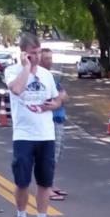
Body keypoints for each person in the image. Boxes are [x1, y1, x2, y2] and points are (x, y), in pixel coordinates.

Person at [5, 33, 62, 217]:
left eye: (38, 53)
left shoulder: (47, 75)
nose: (36, 57)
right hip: (23, 135)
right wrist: (26, 68)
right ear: (23, 54)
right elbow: (17, 89)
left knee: (45, 182)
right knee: (22, 181)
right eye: (32, 54)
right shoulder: (12, 71)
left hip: (46, 135)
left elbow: (56, 99)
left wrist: (54, 104)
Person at [40, 48, 68, 201]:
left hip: (59, 120)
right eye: (46, 58)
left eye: (51, 58)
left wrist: (59, 98)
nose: (50, 61)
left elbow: (65, 95)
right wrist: (59, 98)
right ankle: (46, 188)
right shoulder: (41, 78)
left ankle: (50, 184)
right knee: (50, 156)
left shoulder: (52, 78)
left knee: (57, 155)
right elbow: (51, 100)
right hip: (50, 122)